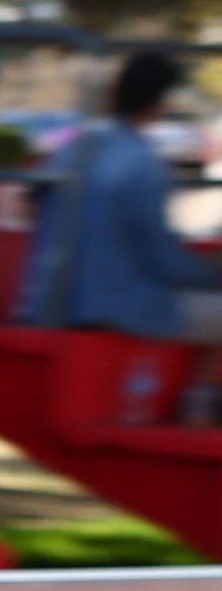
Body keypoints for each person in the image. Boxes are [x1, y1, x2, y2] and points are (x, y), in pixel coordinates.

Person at [22, 48, 221, 360]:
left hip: (46, 302)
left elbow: (33, 209)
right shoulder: (142, 162)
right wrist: (212, 275)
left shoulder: (72, 148)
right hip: (116, 309)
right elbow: (163, 261)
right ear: (161, 103)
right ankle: (201, 404)